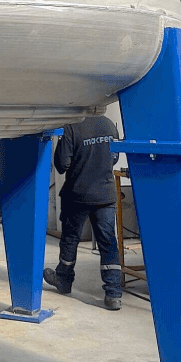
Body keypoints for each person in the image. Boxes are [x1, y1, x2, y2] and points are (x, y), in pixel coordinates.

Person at [45, 115, 124, 309]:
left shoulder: (72, 127)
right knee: (108, 241)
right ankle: (113, 293)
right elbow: (114, 157)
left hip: (78, 194)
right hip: (105, 194)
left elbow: (61, 165)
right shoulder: (108, 124)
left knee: (70, 238)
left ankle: (64, 280)